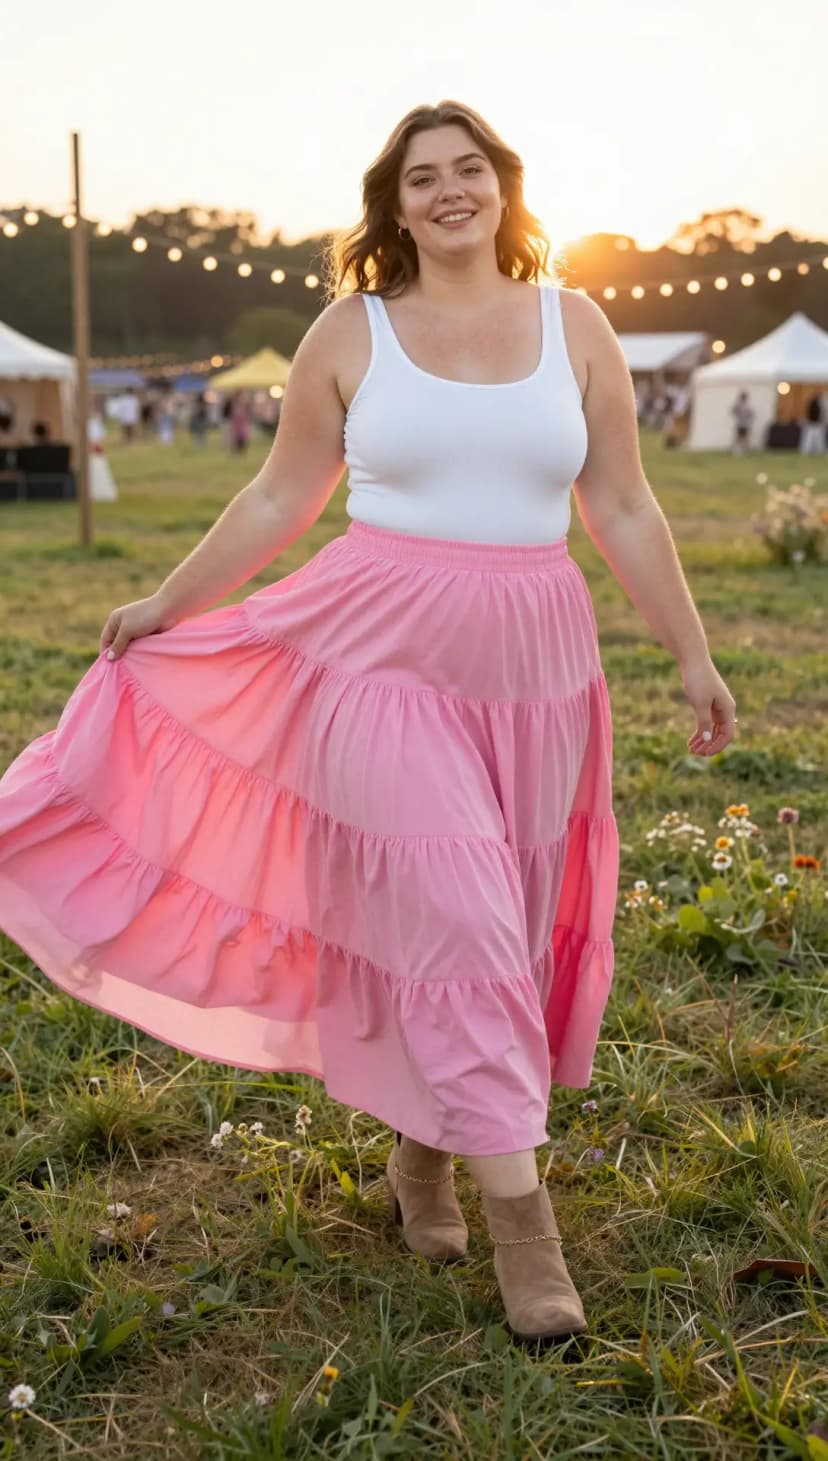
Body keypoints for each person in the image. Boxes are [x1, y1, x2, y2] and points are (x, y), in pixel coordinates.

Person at [0, 100, 737, 1345]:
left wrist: (695, 654)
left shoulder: (578, 325)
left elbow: (622, 503)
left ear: (504, 186)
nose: (449, 191)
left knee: (500, 925)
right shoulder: (353, 331)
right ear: (394, 206)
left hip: (536, 667)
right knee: (456, 916)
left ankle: (426, 1153)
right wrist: (172, 601)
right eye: (422, 177)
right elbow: (280, 491)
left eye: (469, 169)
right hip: (376, 657)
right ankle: (528, 1233)